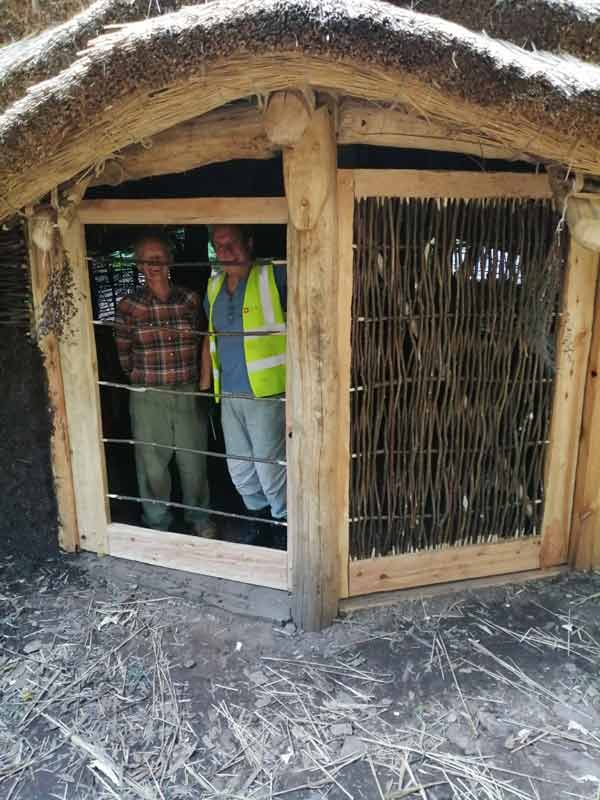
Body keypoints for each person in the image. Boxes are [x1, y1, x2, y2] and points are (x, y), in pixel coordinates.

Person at [115, 232, 216, 538]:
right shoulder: (129, 306)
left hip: (187, 390)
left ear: (169, 260)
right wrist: (142, 380)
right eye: (146, 258)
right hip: (148, 394)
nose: (153, 263)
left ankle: (199, 518)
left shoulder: (189, 300)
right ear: (138, 265)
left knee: (194, 459)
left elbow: (203, 342)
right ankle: (157, 521)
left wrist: (201, 384)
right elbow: (123, 353)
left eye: (158, 256)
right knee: (152, 463)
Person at [204, 224, 286, 548]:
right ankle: (258, 521)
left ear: (249, 243)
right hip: (228, 393)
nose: (225, 251)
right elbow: (209, 337)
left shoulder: (274, 276)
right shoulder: (213, 286)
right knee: (239, 465)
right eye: (218, 245)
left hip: (266, 392)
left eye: (232, 243)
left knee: (269, 466)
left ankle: (282, 524)